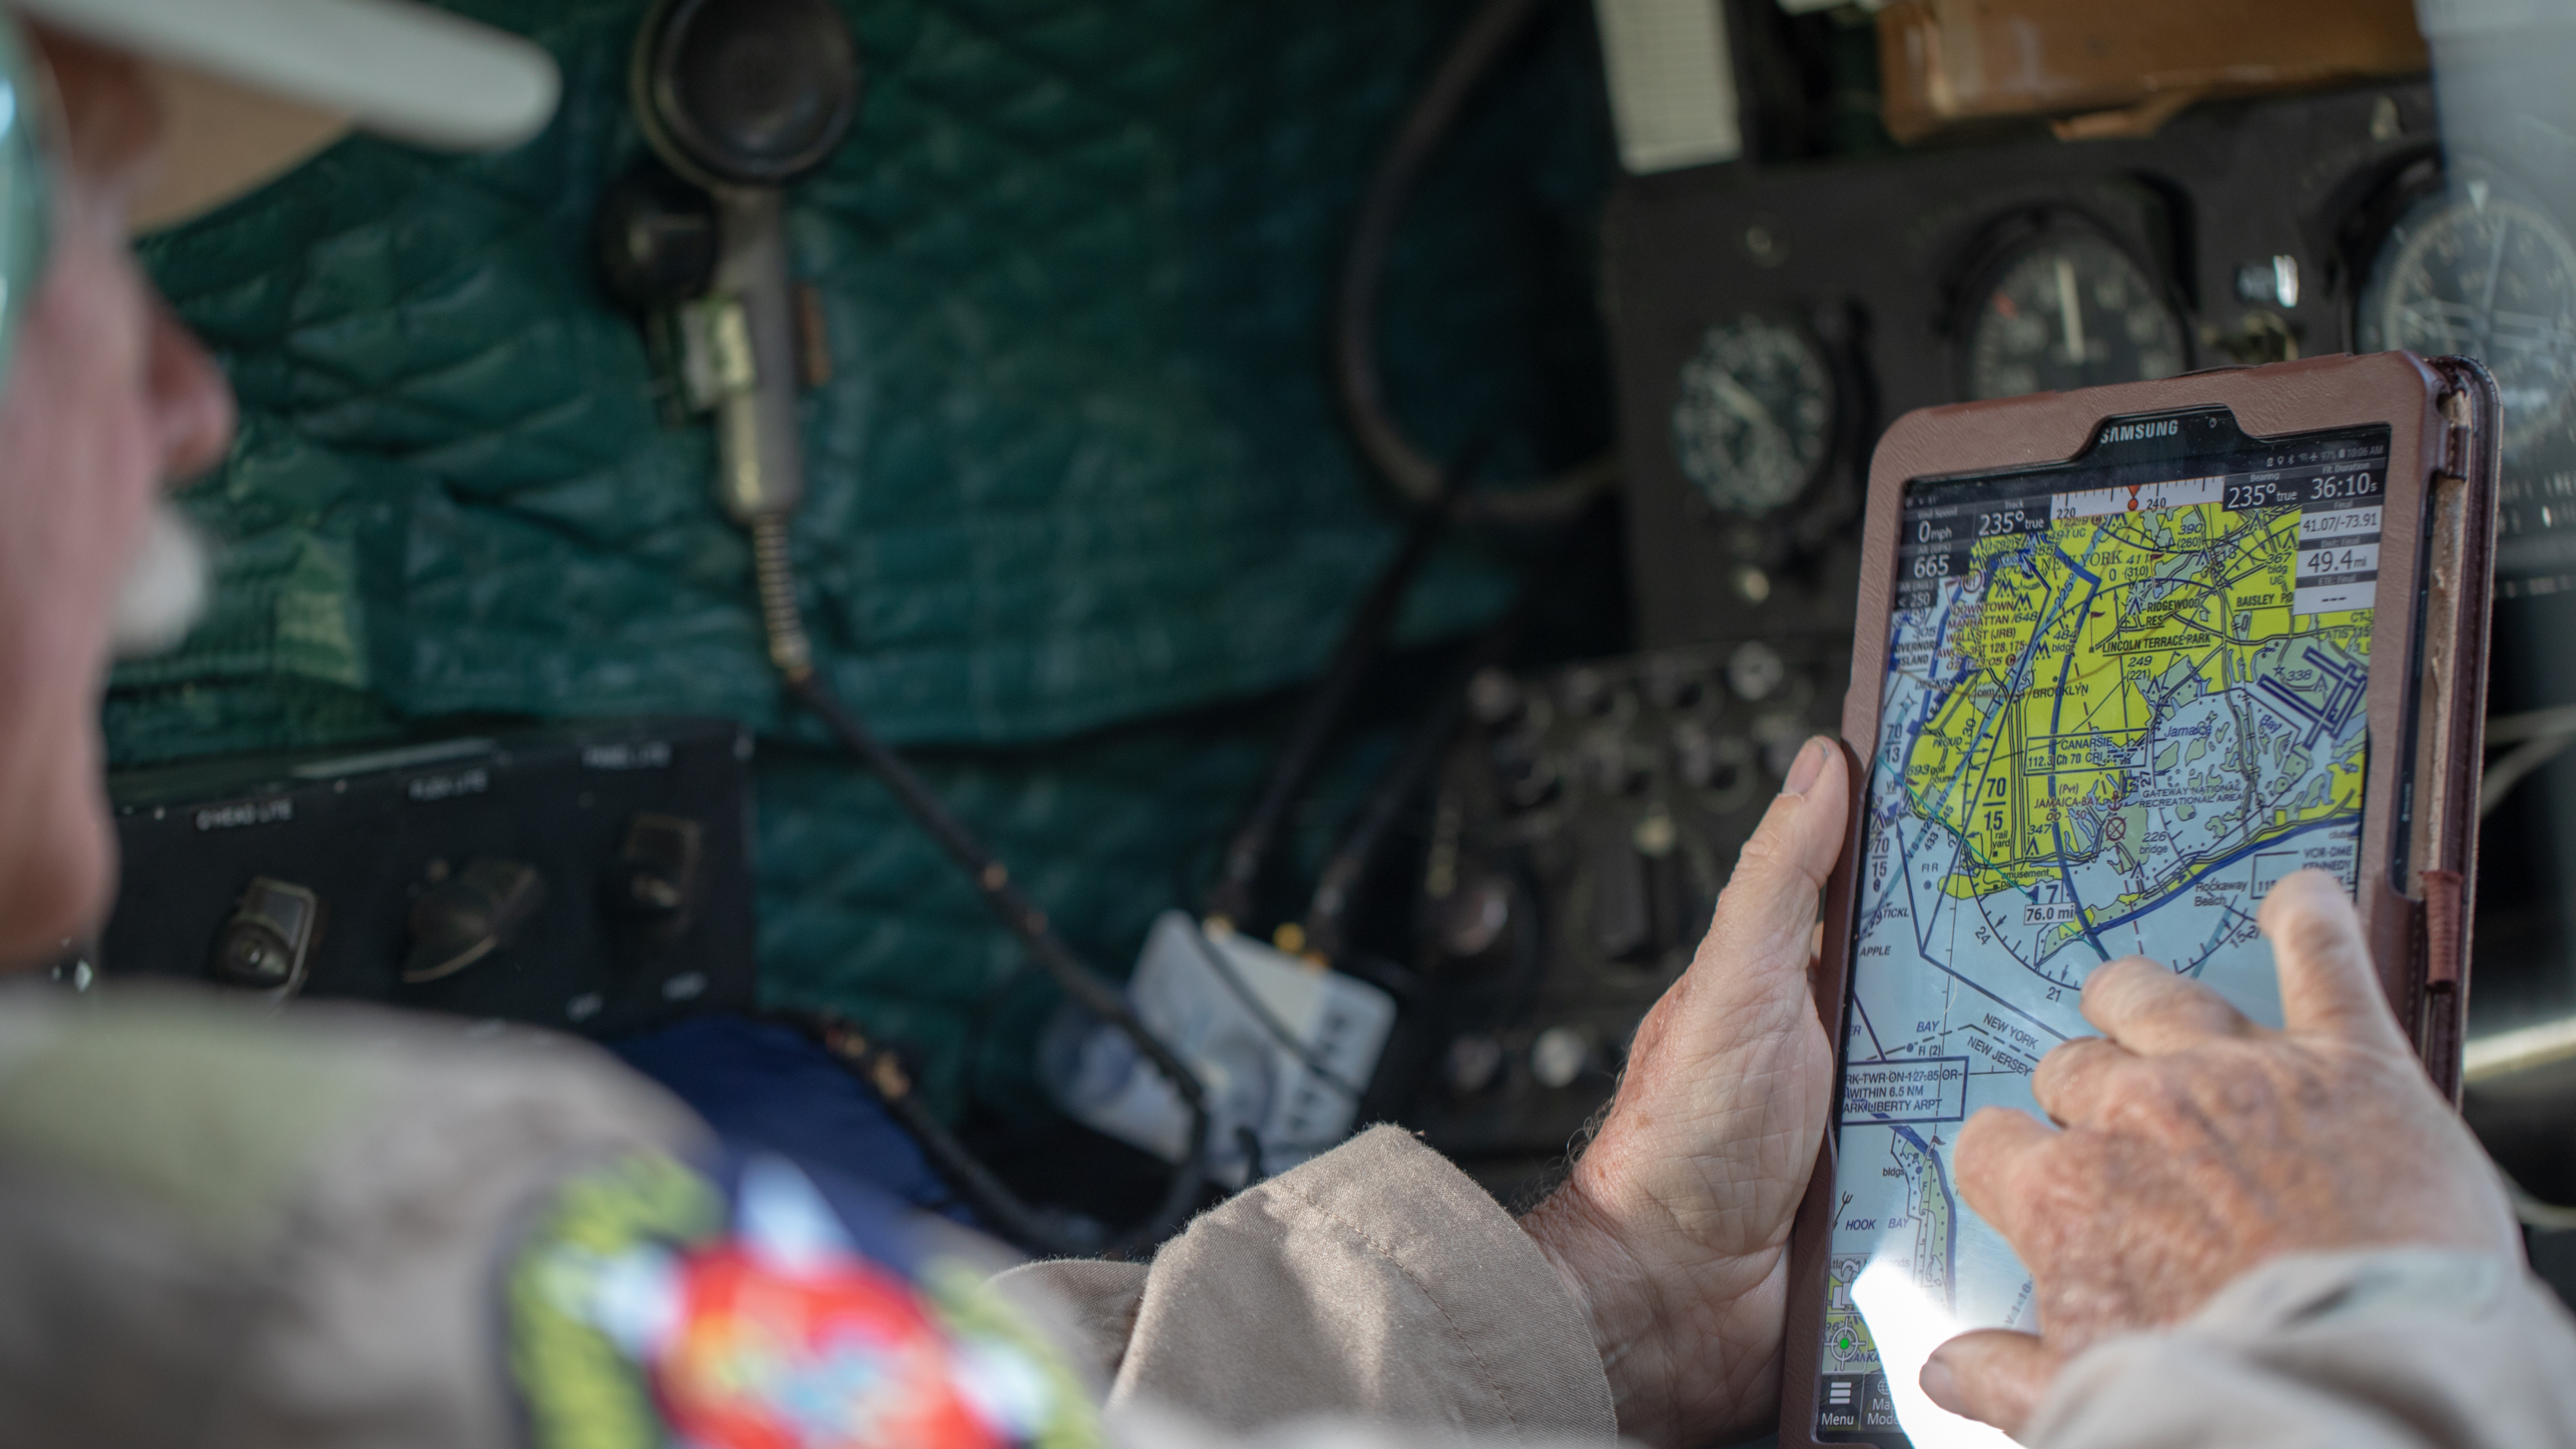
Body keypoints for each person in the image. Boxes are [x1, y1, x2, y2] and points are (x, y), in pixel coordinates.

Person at [1, 2, 2571, 1447]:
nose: (193, 393)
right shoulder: (200, 1267)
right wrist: (2371, 1312)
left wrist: (1614, 1291)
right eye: (90, 227)